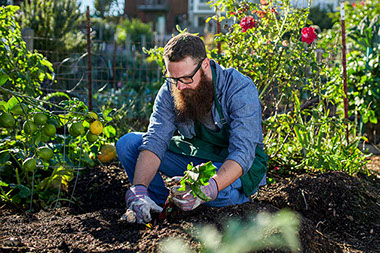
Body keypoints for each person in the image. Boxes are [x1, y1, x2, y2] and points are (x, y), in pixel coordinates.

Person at [116, 33, 268, 224]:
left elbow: (243, 153)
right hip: (195, 158)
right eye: (173, 78)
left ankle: (235, 201)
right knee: (128, 144)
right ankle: (156, 206)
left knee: (218, 195)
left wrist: (210, 187)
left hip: (233, 165)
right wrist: (138, 189)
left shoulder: (238, 88)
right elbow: (155, 140)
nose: (179, 86)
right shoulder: (172, 88)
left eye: (186, 78)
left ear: (205, 65)